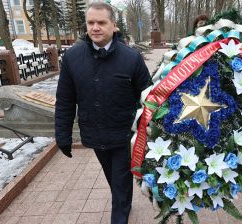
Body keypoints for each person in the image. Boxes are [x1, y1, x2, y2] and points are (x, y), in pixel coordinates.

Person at [55, 2, 151, 224]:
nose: (95, 27)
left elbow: (147, 97)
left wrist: (148, 133)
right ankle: (123, 200)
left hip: (124, 134)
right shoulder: (72, 58)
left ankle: (120, 212)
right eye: (91, 22)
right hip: (94, 134)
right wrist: (63, 135)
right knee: (113, 178)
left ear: (114, 26)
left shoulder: (131, 58)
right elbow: (65, 100)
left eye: (101, 22)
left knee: (120, 179)